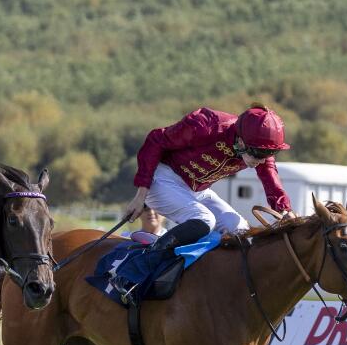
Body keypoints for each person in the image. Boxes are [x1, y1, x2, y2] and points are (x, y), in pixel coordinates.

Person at [123, 104, 293, 254]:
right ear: (241, 141)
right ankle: (148, 258)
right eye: (258, 153)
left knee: (239, 229)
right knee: (205, 219)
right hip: (162, 180)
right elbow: (155, 140)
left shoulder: (259, 148)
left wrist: (285, 211)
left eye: (270, 154)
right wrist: (140, 196)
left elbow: (270, 177)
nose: (262, 160)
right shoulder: (206, 125)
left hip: (197, 190)